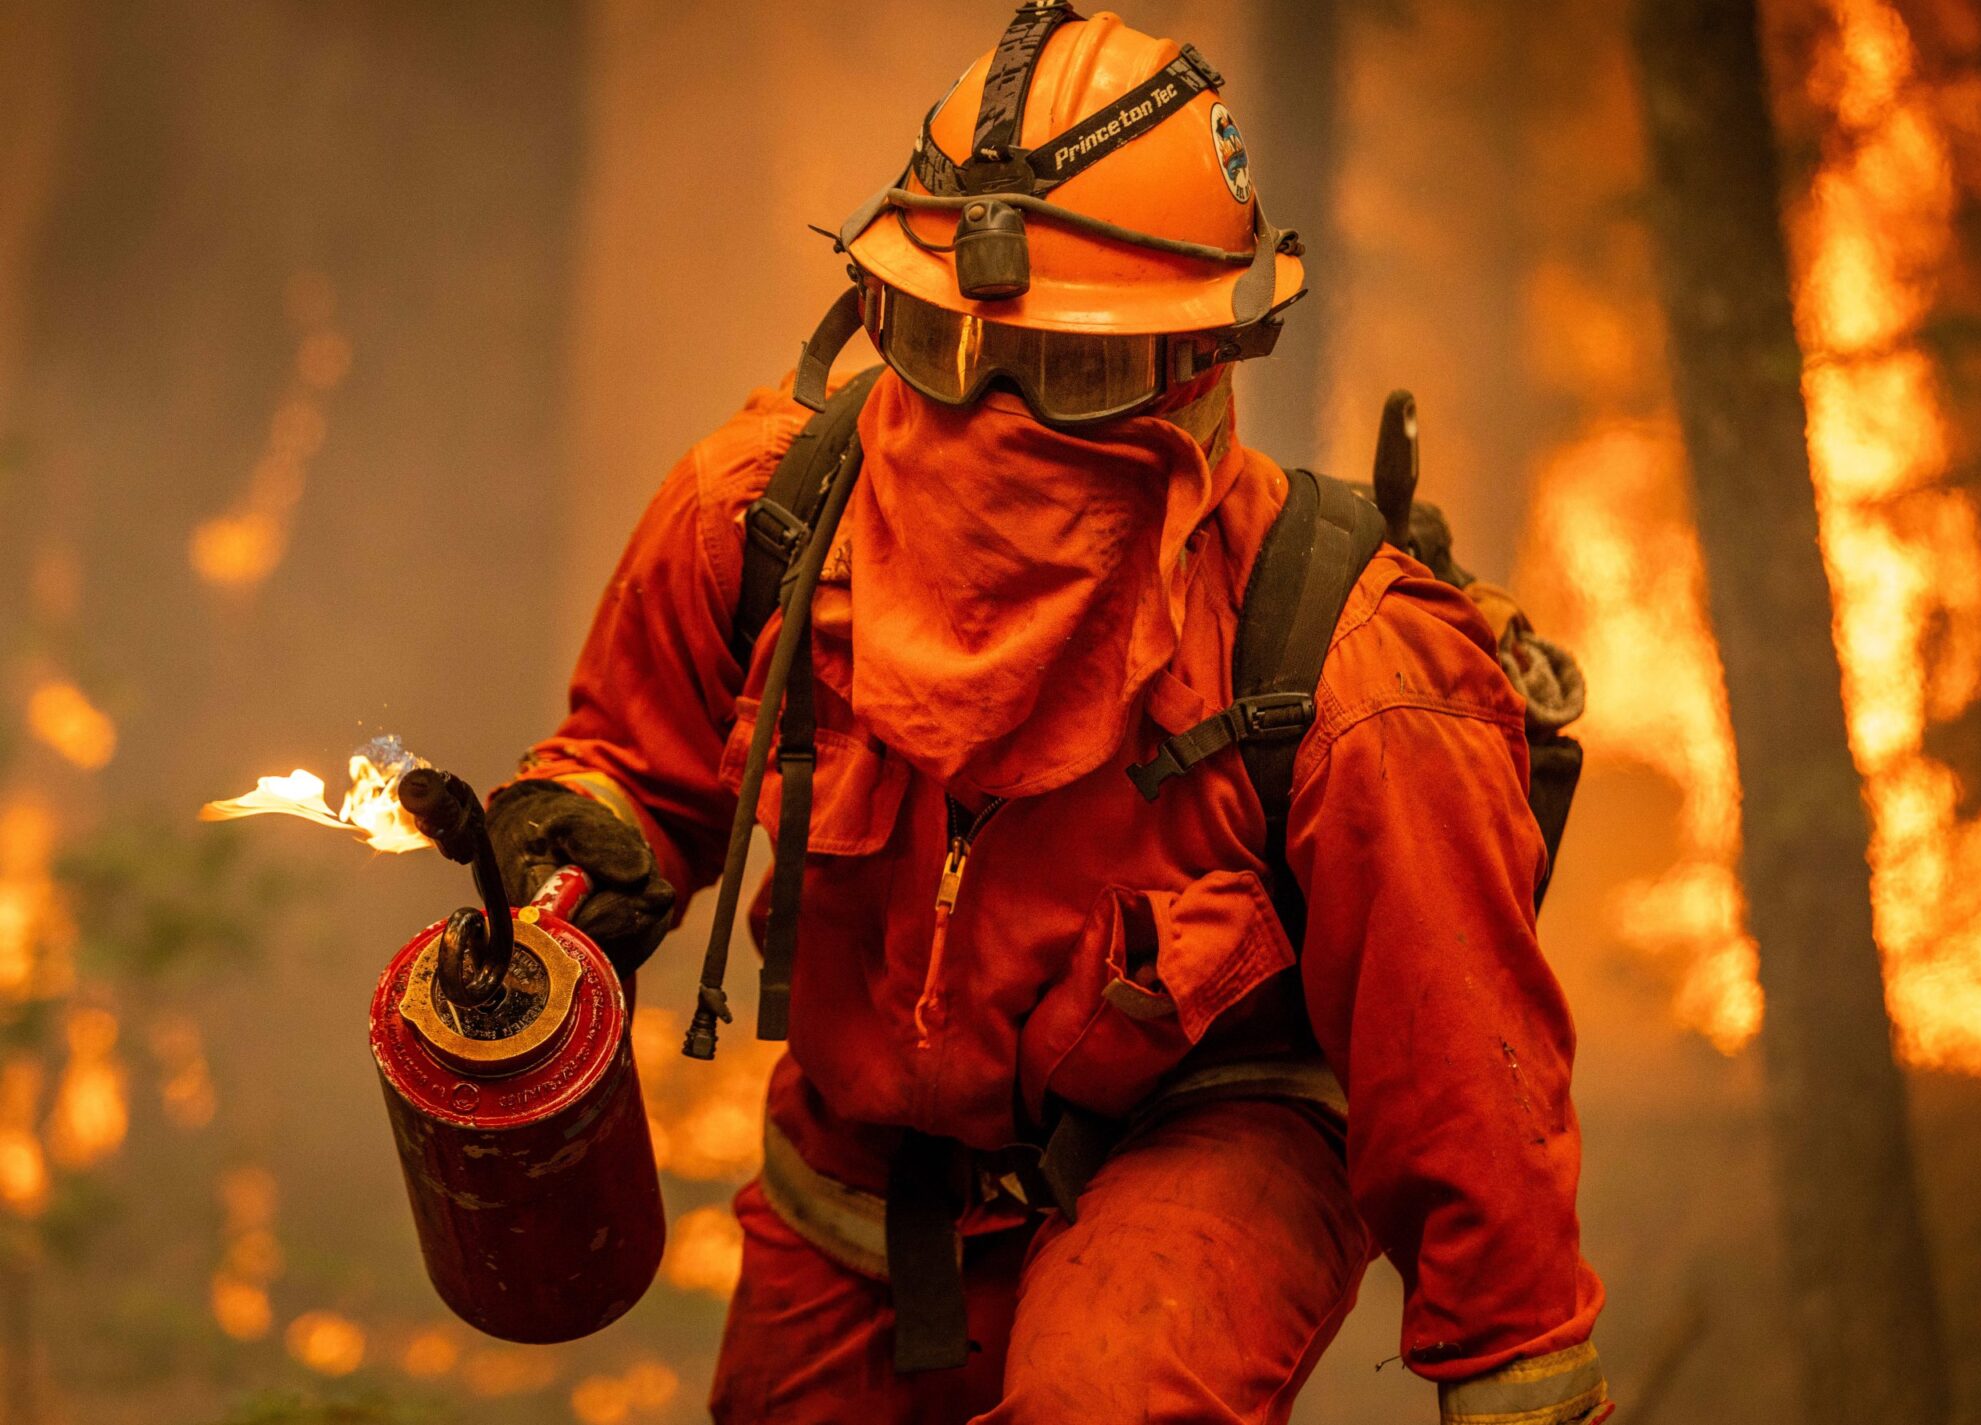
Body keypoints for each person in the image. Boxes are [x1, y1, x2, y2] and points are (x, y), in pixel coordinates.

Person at [486, 5, 1609, 1421]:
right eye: (946, 346)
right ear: (880, 313)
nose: (991, 414)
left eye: (1069, 369)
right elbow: (634, 763)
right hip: (866, 1162)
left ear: (1203, 360)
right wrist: (580, 853)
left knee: (1107, 1401)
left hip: (1213, 1135)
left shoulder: (1356, 671)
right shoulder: (762, 516)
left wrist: (1517, 1372)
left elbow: (1462, 1075)